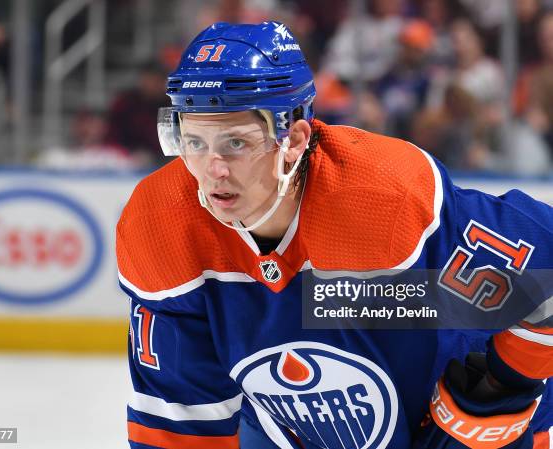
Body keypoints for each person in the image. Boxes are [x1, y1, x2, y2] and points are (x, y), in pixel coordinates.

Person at [116, 22, 553, 449]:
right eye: (193, 141)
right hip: (283, 426)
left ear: (294, 137)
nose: (212, 170)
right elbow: (178, 427)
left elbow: (546, 277)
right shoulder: (162, 223)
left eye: (235, 143)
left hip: (450, 424)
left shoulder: (382, 198)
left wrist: (501, 384)